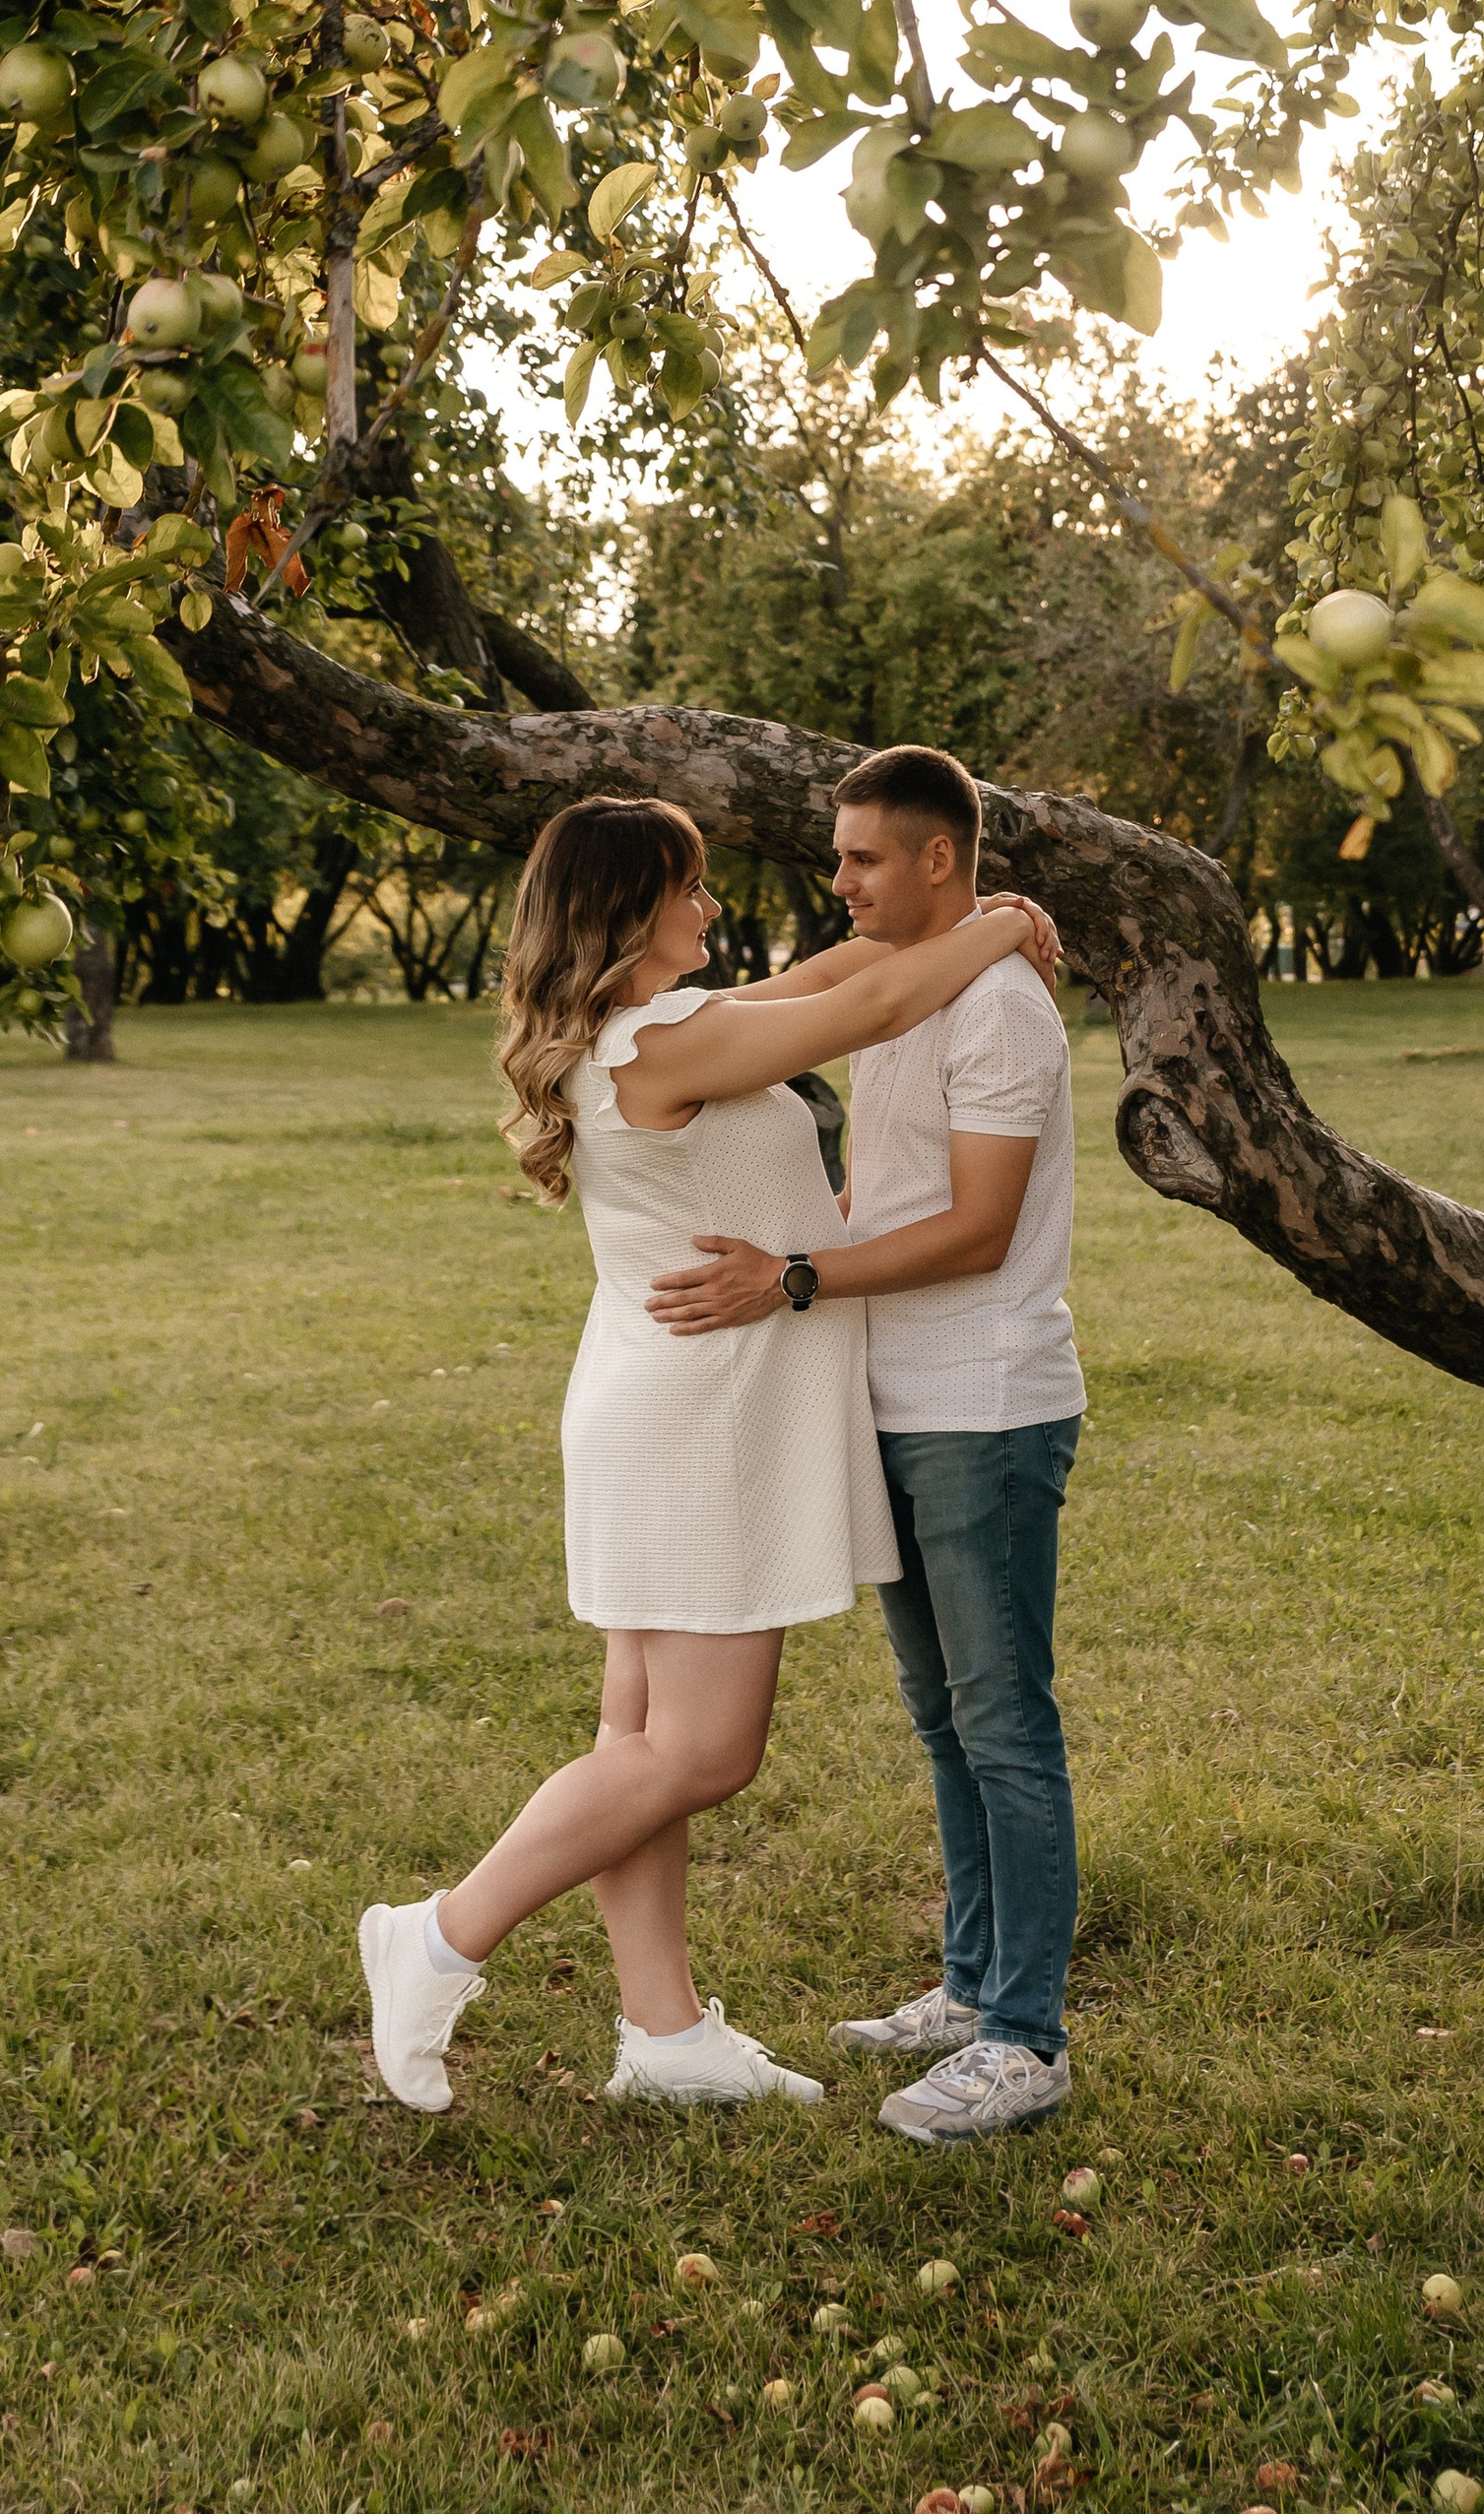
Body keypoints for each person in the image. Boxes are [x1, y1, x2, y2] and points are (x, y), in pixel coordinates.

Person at [356, 791, 1057, 2119]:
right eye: (689, 884)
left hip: (664, 1400)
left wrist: (973, 919)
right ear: (627, 907)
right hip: (699, 1419)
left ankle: (665, 2035)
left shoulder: (650, 1030)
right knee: (701, 1753)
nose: (711, 904)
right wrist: (1007, 926)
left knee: (641, 1736)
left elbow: (818, 981)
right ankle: (440, 1933)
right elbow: (860, 1014)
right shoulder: (658, 1042)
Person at [652, 743, 1082, 2145]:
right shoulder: (898, 992)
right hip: (892, 1398)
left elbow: (977, 1230)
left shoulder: (999, 1012)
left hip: (983, 1404)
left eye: (861, 859)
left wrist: (791, 1277)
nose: (836, 882)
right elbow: (847, 1133)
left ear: (939, 859)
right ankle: (969, 1988)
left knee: (1006, 1725)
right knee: (944, 1720)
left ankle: (1026, 2037)